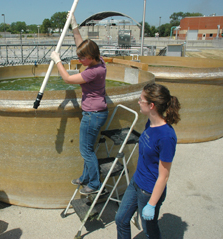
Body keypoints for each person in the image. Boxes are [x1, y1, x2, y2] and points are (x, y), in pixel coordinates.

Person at [50, 13, 108, 195]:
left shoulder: (93, 72)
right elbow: (81, 44)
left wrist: (57, 61)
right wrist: (74, 26)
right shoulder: (99, 61)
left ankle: (94, 184)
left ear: (90, 58)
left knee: (86, 151)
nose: (79, 60)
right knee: (87, 149)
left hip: (93, 115)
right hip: (96, 112)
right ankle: (85, 178)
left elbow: (67, 78)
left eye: (82, 58)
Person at [115, 83, 181, 239]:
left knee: (149, 231)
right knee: (121, 219)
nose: (138, 102)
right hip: (136, 182)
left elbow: (164, 176)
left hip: (149, 191)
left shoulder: (166, 137)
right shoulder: (149, 124)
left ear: (151, 105)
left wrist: (151, 204)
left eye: (141, 100)